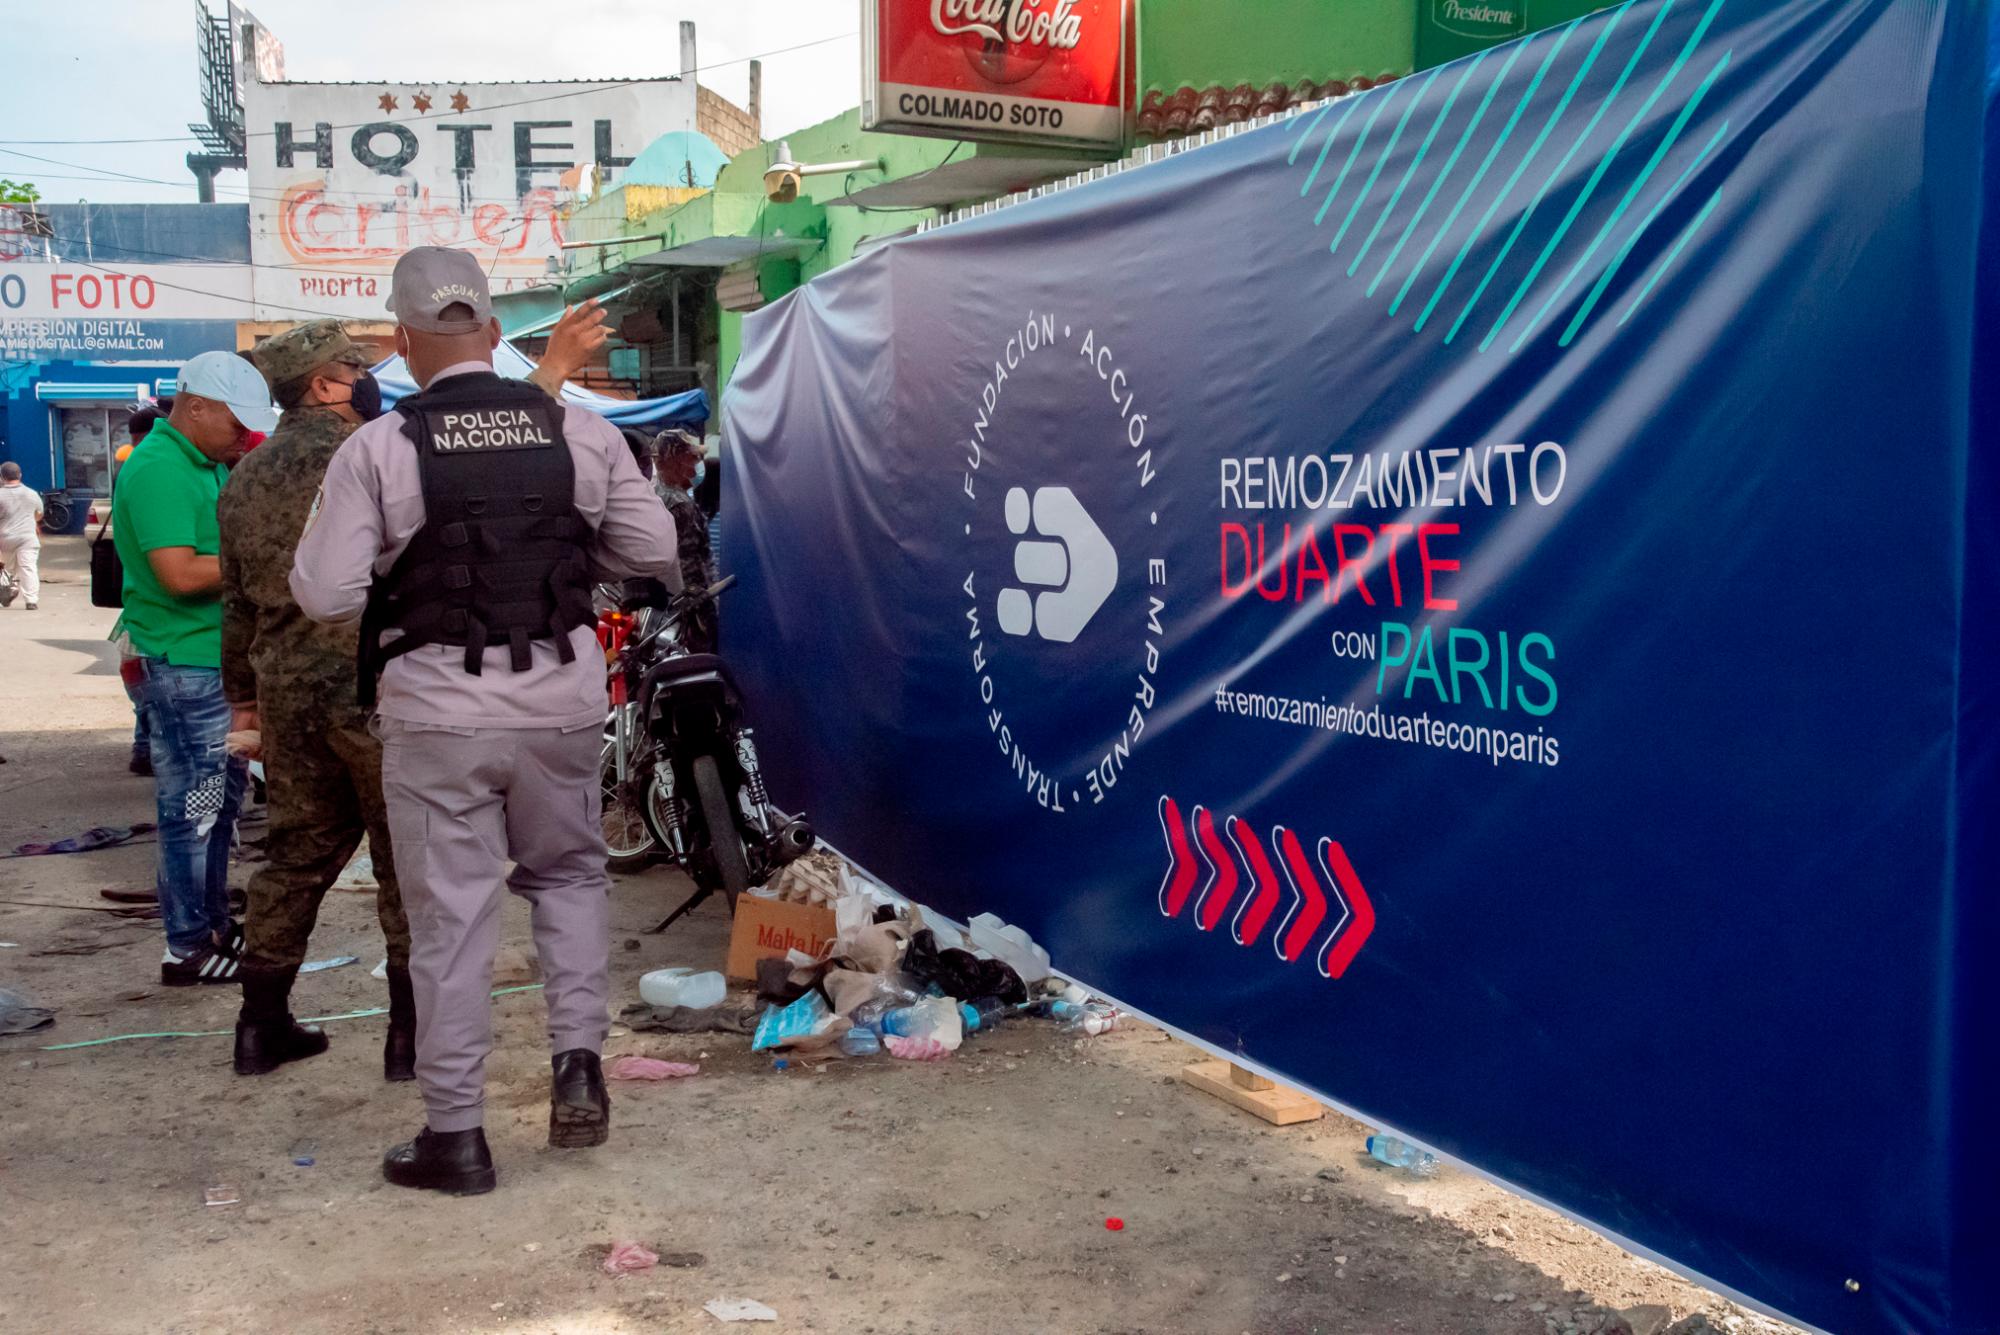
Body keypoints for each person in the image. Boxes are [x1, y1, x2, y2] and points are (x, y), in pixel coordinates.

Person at [292, 247, 676, 1195]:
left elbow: (323, 592)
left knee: (453, 921)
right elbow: (654, 548)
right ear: (495, 331)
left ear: (402, 344)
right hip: (562, 704)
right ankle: (578, 1062)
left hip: (439, 719)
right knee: (572, 877)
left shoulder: (377, 448)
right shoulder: (580, 433)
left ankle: (456, 1135)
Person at [221, 309, 609, 1081]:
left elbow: (235, 602)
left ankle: (260, 1023)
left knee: (293, 854)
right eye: (352, 369)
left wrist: (246, 702)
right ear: (327, 383)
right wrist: (552, 372)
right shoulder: (378, 452)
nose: (365, 381)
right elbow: (493, 450)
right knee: (414, 864)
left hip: (289, 689)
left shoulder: (248, 473)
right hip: (376, 683)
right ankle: (410, 1040)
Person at [112, 351, 278, 985]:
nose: (243, 436)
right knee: (194, 813)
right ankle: (187, 944)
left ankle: (208, 926)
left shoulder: (201, 463)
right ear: (197, 405)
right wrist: (262, 561)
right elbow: (178, 575)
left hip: (207, 666)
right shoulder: (159, 469)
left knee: (216, 808)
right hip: (185, 667)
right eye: (236, 423)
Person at [120, 405, 169, 775]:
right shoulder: (156, 467)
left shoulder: (131, 463)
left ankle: (142, 748)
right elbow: (179, 574)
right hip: (160, 612)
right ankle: (144, 749)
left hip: (139, 600)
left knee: (146, 688)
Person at [652, 428, 717, 653]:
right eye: (693, 457)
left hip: (661, 607)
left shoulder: (653, 494)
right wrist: (708, 615)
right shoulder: (682, 506)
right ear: (676, 460)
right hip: (686, 614)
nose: (698, 464)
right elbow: (691, 570)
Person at [0, 462, 44, 612]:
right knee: (28, 568)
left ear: (2, 477)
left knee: (8, 569)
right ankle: (31, 601)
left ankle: (9, 590)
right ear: (20, 475)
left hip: (5, 539)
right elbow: (39, 514)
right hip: (28, 538)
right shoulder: (32, 494)